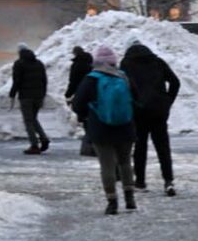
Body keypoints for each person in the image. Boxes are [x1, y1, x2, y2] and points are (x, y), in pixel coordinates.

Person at [69, 45, 138, 215]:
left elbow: (77, 104)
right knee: (125, 162)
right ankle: (130, 198)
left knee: (106, 165)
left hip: (100, 129)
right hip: (125, 127)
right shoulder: (123, 77)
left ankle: (112, 201)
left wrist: (89, 114)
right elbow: (136, 99)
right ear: (114, 62)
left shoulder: (91, 79)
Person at [121, 42, 180, 195]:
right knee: (163, 147)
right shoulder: (158, 62)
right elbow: (175, 82)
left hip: (138, 110)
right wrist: (167, 101)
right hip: (158, 111)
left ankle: (140, 181)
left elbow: (122, 86)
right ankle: (168, 180)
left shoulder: (126, 64)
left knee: (140, 147)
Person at [9, 44, 50, 154]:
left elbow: (16, 81)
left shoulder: (19, 64)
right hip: (38, 95)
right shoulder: (39, 63)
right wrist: (43, 94)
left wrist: (12, 94)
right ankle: (43, 138)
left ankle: (34, 145)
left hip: (26, 97)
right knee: (33, 118)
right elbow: (44, 80)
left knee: (28, 121)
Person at [66, 45, 97, 158]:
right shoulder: (91, 63)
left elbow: (73, 81)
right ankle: (93, 146)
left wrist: (68, 94)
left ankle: (89, 148)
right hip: (93, 95)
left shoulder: (76, 65)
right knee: (91, 120)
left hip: (81, 94)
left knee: (85, 121)